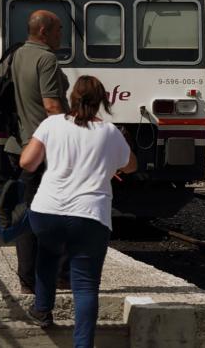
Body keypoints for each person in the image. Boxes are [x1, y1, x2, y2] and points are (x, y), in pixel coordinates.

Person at [19, 76, 135, 347]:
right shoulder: (109, 132)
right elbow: (130, 166)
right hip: (90, 216)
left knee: (47, 256)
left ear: (71, 98)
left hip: (47, 211)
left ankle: (42, 310)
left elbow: (27, 162)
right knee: (85, 285)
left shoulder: (51, 124)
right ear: (102, 102)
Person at [6, 10, 69, 294]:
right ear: (43, 31)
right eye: (58, 30)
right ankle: (57, 277)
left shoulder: (18, 55)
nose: (61, 35)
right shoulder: (47, 59)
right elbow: (52, 106)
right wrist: (74, 132)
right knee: (61, 213)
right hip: (45, 148)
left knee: (28, 212)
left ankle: (27, 279)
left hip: (20, 144)